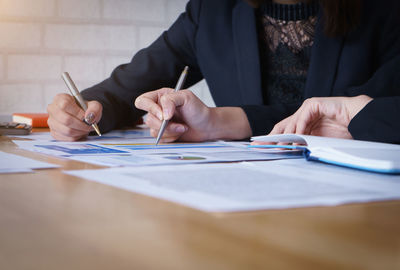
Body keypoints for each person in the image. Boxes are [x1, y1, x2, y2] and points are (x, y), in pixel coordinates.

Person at [47, 0, 400, 143]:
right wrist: (88, 109)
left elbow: (375, 112)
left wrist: (225, 120)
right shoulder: (212, 10)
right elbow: (133, 83)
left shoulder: (384, 11)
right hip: (241, 199)